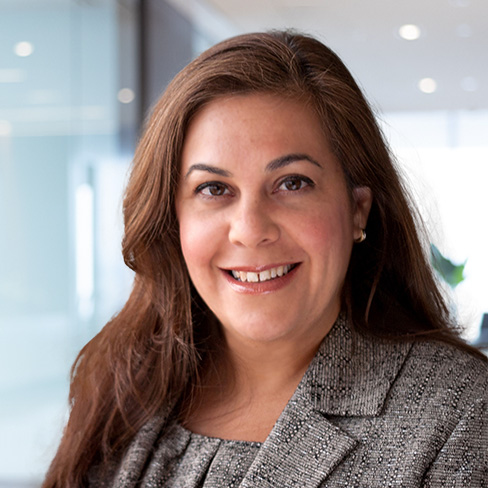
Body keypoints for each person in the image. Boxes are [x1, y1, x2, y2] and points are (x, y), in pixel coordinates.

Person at [43, 31, 487, 488]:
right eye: (214, 189)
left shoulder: (460, 414)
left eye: (292, 183)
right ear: (173, 219)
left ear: (358, 210)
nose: (251, 229)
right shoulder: (123, 387)